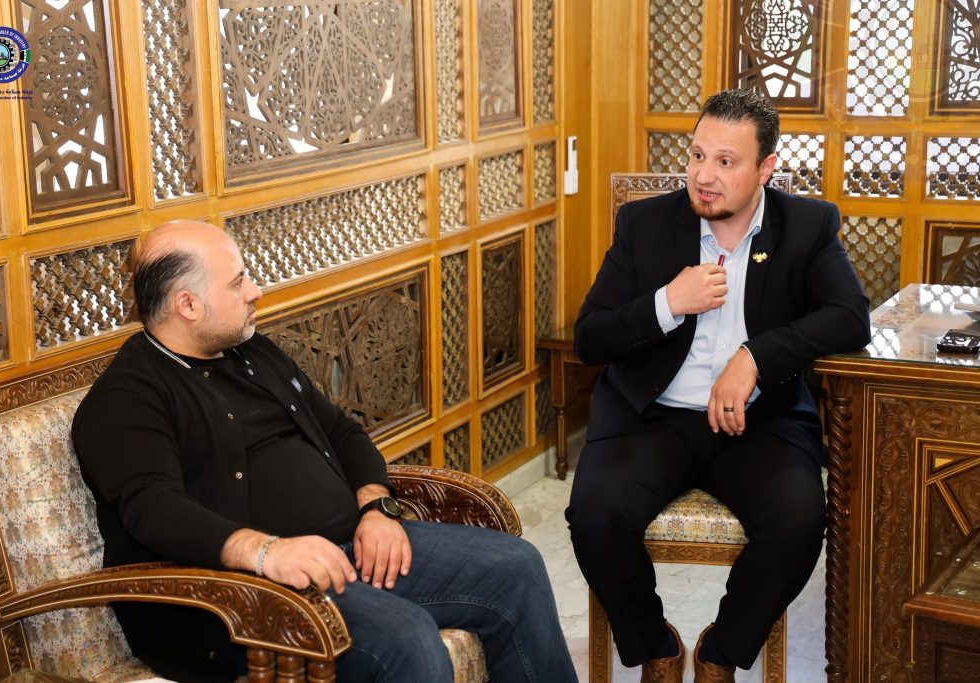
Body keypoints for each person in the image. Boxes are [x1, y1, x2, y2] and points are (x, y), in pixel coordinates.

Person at [72, 220, 578, 683]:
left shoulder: (252, 352)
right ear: (188, 305)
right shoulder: (128, 398)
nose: (255, 291)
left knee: (516, 567)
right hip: (248, 595)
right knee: (408, 640)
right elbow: (155, 510)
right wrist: (267, 551)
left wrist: (377, 508)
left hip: (351, 548)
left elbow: (342, 432)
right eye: (238, 282)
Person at [565, 89, 871, 682]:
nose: (704, 176)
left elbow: (849, 316)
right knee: (595, 516)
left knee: (799, 522)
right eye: (697, 155)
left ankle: (720, 656)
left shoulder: (806, 225)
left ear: (765, 168)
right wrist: (667, 303)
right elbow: (590, 337)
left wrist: (755, 357)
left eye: (726, 162)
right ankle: (656, 648)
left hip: (760, 422)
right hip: (652, 418)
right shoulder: (645, 224)